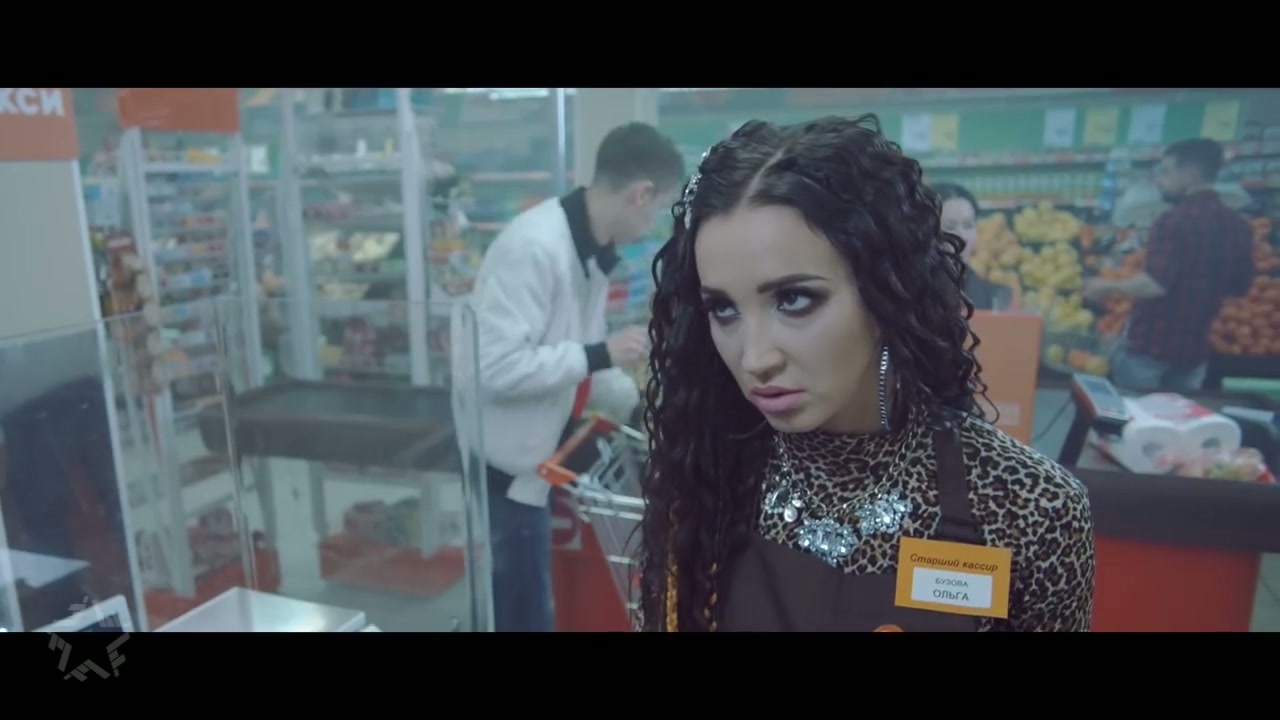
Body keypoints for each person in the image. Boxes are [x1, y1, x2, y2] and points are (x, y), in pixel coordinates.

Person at [635, 115, 1094, 633]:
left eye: (794, 299)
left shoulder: (1029, 506)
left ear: (886, 290)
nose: (755, 357)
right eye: (724, 309)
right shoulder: (706, 474)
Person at [470, 121, 684, 632]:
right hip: (507, 465)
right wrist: (602, 352)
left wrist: (641, 407)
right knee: (520, 608)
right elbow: (495, 368)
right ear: (641, 194)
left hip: (543, 453)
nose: (653, 223)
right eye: (658, 208)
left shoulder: (588, 253)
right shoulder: (534, 248)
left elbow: (575, 362)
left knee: (532, 596)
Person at [1082, 138, 1253, 392]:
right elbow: (1239, 287)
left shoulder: (1173, 221)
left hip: (1151, 347)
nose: (1159, 180)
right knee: (1178, 415)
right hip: (1194, 351)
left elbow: (1155, 284)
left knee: (1134, 412)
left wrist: (1105, 286)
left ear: (1190, 174)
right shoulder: (1238, 226)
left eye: (1166, 171)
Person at [933, 182, 1014, 311]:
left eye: (968, 226)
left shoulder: (995, 297)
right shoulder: (908, 291)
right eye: (949, 227)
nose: (961, 236)